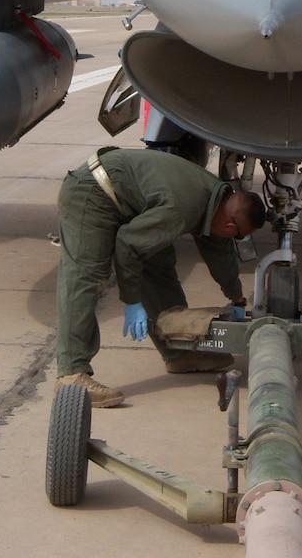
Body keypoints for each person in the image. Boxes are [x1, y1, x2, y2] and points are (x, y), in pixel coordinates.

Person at [54, 144, 266, 407]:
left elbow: (218, 250)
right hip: (93, 193)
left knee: (159, 267)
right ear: (230, 225)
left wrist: (235, 296)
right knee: (86, 277)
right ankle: (72, 373)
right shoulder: (182, 206)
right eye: (238, 236)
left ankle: (179, 353)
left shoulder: (216, 199)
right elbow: (128, 245)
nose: (235, 240)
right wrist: (132, 300)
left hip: (126, 201)